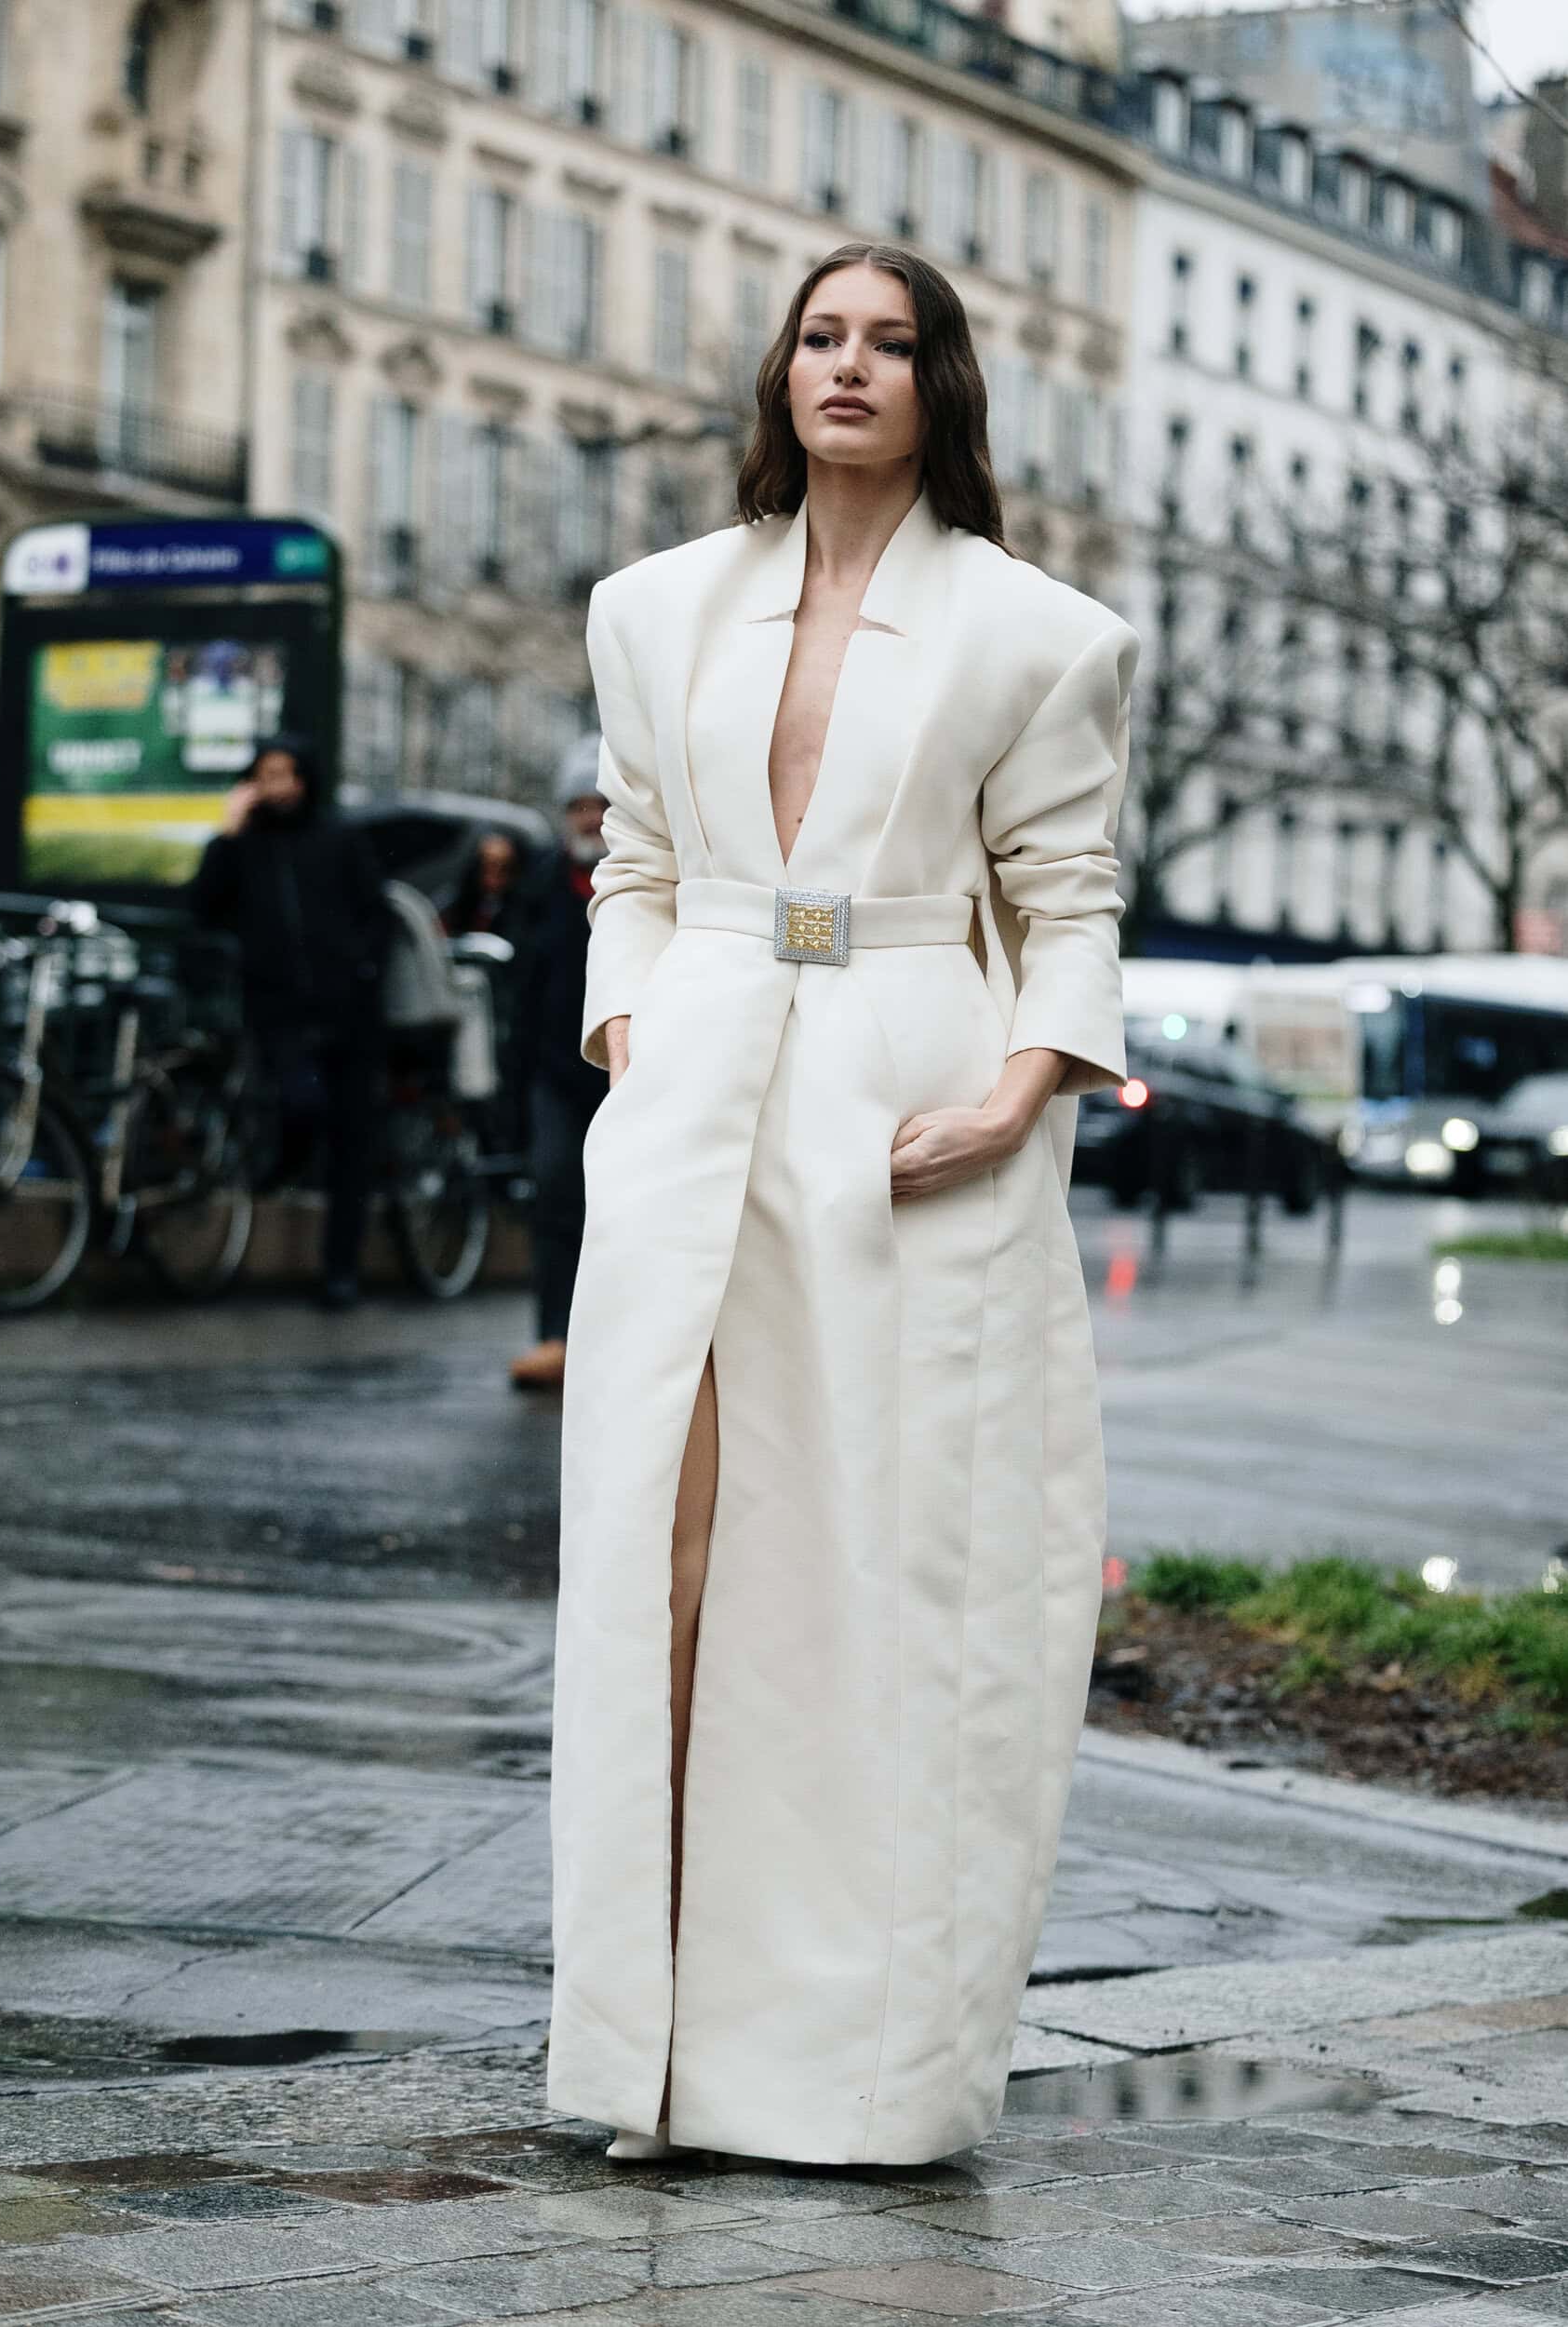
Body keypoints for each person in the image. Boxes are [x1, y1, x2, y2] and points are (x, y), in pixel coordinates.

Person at [548, 244, 1139, 2166]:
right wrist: (629, 1020)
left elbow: (1066, 895)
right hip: (694, 1072)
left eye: (889, 341)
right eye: (820, 335)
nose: (849, 366)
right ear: (778, 370)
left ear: (940, 381)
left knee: (891, 1583)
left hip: (909, 1091)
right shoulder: (650, 609)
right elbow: (632, 856)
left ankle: (855, 2076)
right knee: (671, 1553)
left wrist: (1012, 1090)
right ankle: (645, 2056)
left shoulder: (1035, 634)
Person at [191, 734, 392, 1311]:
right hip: (279, 1013)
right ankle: (282, 1166)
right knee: (300, 1104)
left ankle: (340, 1272)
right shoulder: (245, 847)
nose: (278, 786)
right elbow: (204, 906)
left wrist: (361, 970)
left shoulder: (339, 839)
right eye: (266, 775)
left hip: (351, 1015)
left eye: (286, 774)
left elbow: (375, 914)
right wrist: (227, 832)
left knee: (352, 1147)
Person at [508, 738, 610, 1391]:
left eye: (598, 804)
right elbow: (520, 987)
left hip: (629, 1071)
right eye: (576, 806)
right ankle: (555, 1335)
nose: (588, 819)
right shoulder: (541, 883)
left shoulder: (644, 880)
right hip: (555, 1070)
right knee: (554, 1196)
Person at [444, 827, 525, 944]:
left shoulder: (520, 910)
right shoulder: (456, 900)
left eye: (502, 868)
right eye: (486, 865)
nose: (492, 874)